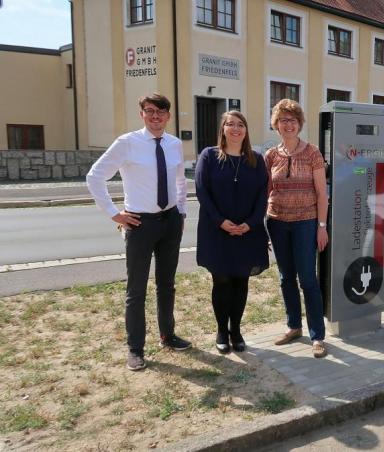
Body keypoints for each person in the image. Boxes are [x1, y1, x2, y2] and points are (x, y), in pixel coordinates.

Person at [86, 93, 192, 371]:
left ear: (168, 116)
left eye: (161, 112)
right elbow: (94, 176)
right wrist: (114, 213)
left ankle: (168, 335)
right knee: (136, 290)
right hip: (140, 224)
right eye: (150, 111)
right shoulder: (127, 143)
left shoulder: (174, 144)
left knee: (167, 284)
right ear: (142, 114)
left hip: (170, 221)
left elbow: (180, 181)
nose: (155, 116)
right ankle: (135, 349)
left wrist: (181, 212)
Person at [195, 111, 268, 354]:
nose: (236, 129)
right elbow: (202, 191)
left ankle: (235, 330)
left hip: (248, 231)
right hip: (216, 231)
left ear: (246, 130)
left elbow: (263, 195)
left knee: (241, 280)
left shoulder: (256, 160)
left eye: (240, 125)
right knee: (222, 280)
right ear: (223, 129)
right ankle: (221, 331)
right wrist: (220, 221)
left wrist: (251, 223)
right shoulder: (209, 156)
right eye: (230, 124)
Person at [264, 99, 329, 359]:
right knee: (285, 277)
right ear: (276, 125)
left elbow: (322, 194)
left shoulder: (312, 153)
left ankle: (317, 335)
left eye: (292, 120)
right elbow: (266, 191)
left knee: (308, 279)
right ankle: (293, 326)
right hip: (277, 222)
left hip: (305, 223)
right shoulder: (271, 155)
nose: (288, 124)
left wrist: (321, 226)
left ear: (299, 124)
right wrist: (261, 225)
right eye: (283, 120)